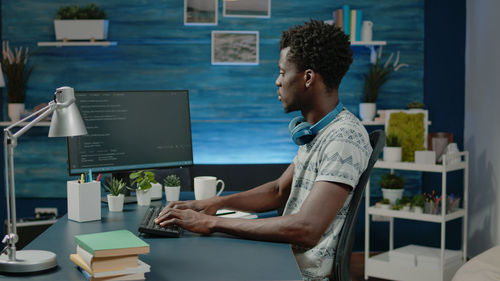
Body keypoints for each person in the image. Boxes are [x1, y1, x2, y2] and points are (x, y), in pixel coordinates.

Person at [155, 19, 372, 280]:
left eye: (282, 72)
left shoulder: (344, 137)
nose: (277, 82)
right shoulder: (317, 133)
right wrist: (211, 205)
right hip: (282, 258)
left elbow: (307, 227)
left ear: (308, 78)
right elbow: (278, 190)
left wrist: (211, 222)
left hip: (298, 272)